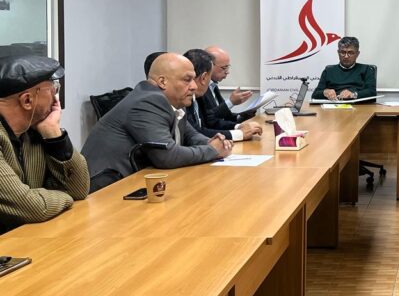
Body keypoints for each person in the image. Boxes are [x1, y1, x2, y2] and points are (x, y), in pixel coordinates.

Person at [82, 53, 231, 191]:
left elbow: (190, 135)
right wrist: (212, 150)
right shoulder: (147, 101)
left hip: (132, 183)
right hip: (104, 189)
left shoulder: (172, 100)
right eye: (187, 80)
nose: (194, 86)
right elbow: (167, 156)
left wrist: (213, 142)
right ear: (162, 82)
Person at [0, 55, 89, 232]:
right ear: (27, 100)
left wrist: (54, 135)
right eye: (53, 89)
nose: (56, 99)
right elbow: (32, 207)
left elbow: (79, 189)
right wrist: (65, 196)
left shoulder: (33, 130)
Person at [183, 49, 262, 141]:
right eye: (187, 79)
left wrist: (239, 126)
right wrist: (240, 133)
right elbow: (196, 134)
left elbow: (211, 121)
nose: (192, 86)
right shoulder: (185, 98)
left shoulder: (199, 94)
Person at [202, 45, 255, 125]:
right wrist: (231, 102)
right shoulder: (200, 89)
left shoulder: (213, 85)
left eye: (228, 67)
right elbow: (209, 120)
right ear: (209, 65)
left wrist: (243, 116)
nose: (227, 72)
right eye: (224, 68)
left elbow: (225, 116)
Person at [312, 36, 377, 102]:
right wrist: (325, 92)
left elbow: (372, 92)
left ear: (357, 54)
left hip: (358, 105)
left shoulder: (367, 70)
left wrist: (353, 95)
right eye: (343, 52)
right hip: (334, 105)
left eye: (350, 53)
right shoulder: (328, 71)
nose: (346, 56)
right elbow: (315, 94)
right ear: (338, 53)